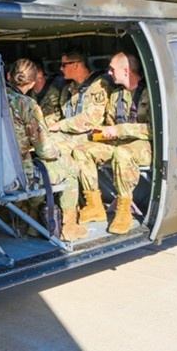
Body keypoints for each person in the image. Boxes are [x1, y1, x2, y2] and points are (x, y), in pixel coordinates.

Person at [6, 58, 87, 242]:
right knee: (71, 168)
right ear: (34, 81)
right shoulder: (28, 104)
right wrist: (59, 152)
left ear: (8, 76)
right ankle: (69, 227)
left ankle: (34, 220)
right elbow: (44, 149)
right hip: (20, 174)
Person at [72, 52, 151, 234]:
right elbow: (110, 124)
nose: (109, 72)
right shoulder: (117, 95)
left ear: (126, 71)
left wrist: (120, 130)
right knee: (82, 151)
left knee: (122, 153)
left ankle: (124, 211)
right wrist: (101, 133)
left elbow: (156, 129)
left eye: (112, 69)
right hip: (119, 143)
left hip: (144, 145)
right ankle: (94, 204)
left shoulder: (149, 94)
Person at [46, 49, 113, 225]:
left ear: (76, 64)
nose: (61, 69)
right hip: (73, 134)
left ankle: (82, 205)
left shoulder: (99, 85)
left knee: (59, 149)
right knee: (46, 144)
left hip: (95, 136)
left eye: (64, 64)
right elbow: (61, 114)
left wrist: (60, 126)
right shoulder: (70, 89)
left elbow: (90, 119)